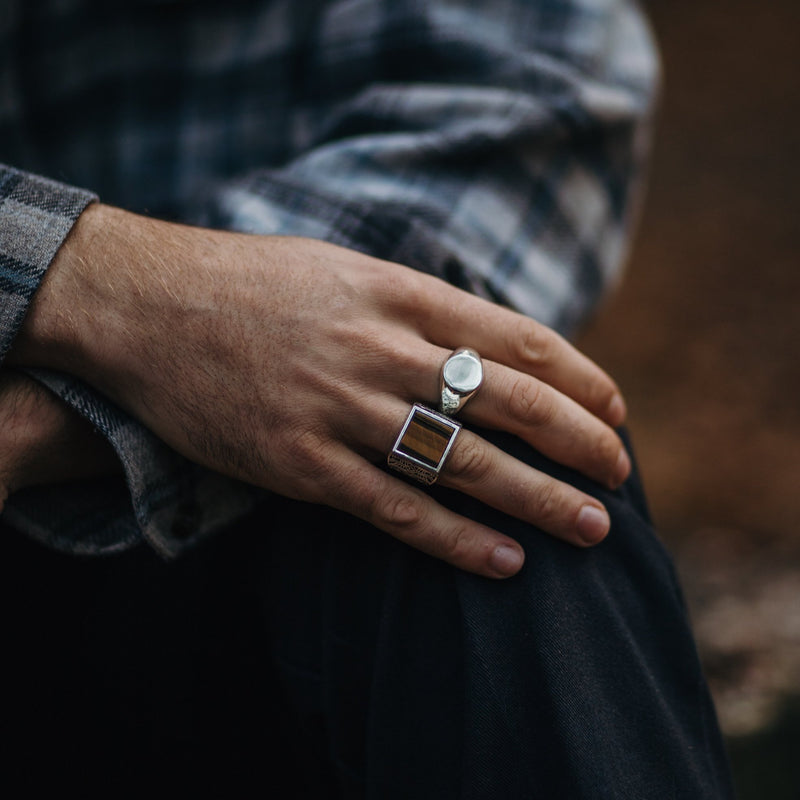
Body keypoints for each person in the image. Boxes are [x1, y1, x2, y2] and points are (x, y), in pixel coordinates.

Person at [0, 0, 734, 796]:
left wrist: (92, 390)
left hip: (245, 576)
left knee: (475, 462)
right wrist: (79, 277)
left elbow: (530, 97)